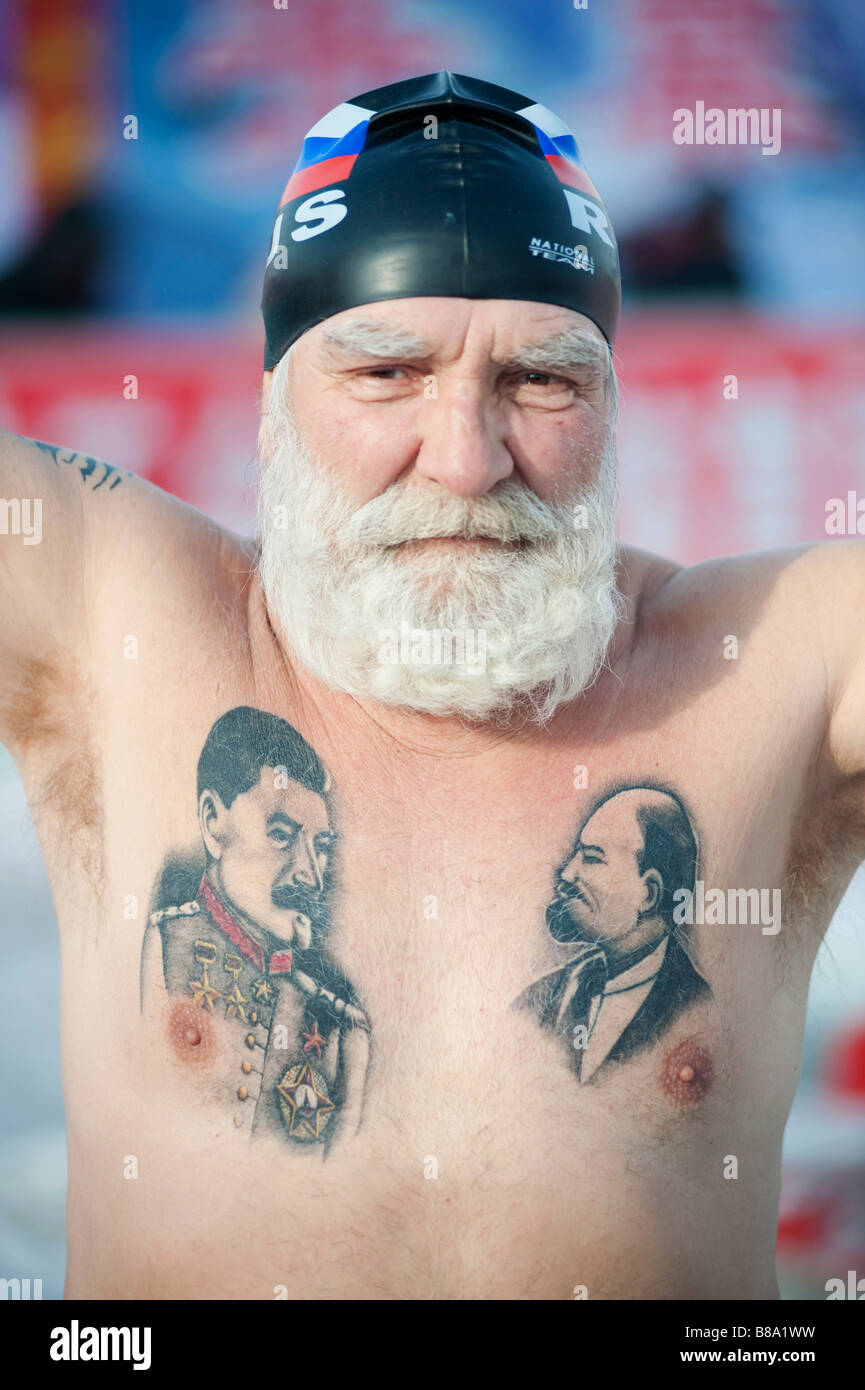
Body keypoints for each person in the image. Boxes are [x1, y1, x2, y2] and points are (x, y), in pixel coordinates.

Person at [1, 70, 862, 1301]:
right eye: (386, 374)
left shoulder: (781, 662)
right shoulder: (111, 611)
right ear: (273, 397)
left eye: (542, 382)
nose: (465, 461)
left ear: (613, 405)